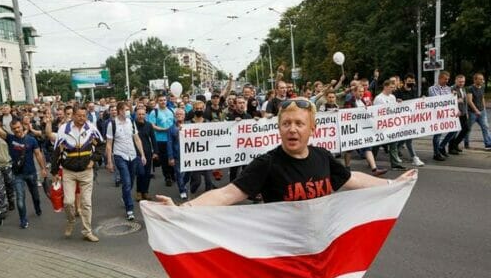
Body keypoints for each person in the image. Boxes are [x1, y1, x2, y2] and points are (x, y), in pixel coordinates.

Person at [156, 98, 415, 207]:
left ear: (312, 128)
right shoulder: (267, 164)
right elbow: (226, 194)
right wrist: (181, 209)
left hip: (320, 250)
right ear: (279, 128)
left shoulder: (323, 157)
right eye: (286, 124)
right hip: (285, 255)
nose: (292, 130)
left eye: (299, 124)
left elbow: (353, 179)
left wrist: (392, 183)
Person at [51, 105, 104, 241]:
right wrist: (55, 171)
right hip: (69, 171)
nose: (82, 118)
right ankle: (71, 220)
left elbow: (101, 145)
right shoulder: (64, 129)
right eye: (79, 116)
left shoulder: (91, 128)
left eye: (84, 116)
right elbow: (56, 151)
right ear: (73, 115)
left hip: (86, 171)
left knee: (86, 203)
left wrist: (94, 160)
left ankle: (87, 231)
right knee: (68, 202)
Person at [0, 119, 47, 229]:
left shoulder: (32, 140)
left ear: (22, 126)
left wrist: (43, 168)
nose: (17, 130)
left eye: (18, 127)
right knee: (20, 198)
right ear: (12, 129)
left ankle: (37, 208)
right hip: (17, 174)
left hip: (31, 173)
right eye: (14, 129)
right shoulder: (10, 138)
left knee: (36, 196)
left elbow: (38, 154)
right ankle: (23, 220)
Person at [106, 102, 146, 221]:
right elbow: (109, 144)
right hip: (120, 155)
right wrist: (109, 161)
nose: (128, 112)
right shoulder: (112, 124)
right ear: (119, 111)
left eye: (129, 109)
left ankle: (125, 195)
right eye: (125, 110)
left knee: (131, 181)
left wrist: (142, 154)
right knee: (127, 182)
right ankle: (129, 209)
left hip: (132, 155)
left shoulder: (131, 122)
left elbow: (137, 139)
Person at [373, 80, 406, 170]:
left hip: (391, 125)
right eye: (391, 87)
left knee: (393, 144)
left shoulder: (392, 97)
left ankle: (395, 164)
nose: (393, 89)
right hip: (381, 126)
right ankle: (371, 160)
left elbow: (394, 110)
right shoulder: (379, 98)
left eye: (393, 87)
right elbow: (377, 113)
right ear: (385, 87)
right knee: (377, 144)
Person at [147, 95, 175, 186]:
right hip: (160, 139)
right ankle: (167, 176)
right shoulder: (154, 112)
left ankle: (173, 174)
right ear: (157, 101)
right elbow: (152, 126)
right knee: (164, 159)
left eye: (164, 100)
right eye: (161, 100)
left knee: (172, 157)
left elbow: (176, 123)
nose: (163, 102)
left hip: (172, 138)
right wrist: (163, 129)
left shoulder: (172, 111)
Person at [428, 71, 456, 160]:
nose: (446, 81)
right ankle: (436, 154)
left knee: (455, 129)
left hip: (447, 114)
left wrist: (453, 98)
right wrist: (449, 98)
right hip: (437, 114)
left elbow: (450, 101)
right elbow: (437, 99)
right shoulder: (432, 88)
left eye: (448, 79)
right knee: (438, 134)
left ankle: (441, 146)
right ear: (439, 78)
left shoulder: (448, 89)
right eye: (445, 79)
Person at [134, 106, 158, 201]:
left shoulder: (149, 125)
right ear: (136, 115)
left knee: (147, 173)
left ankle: (145, 192)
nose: (141, 116)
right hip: (137, 152)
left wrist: (155, 151)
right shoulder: (132, 125)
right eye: (139, 114)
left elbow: (153, 139)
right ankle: (139, 192)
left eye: (143, 114)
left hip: (148, 152)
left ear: (145, 115)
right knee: (140, 173)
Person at [465, 72, 491, 150]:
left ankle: (488, 144)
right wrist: (476, 110)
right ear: (475, 80)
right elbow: (469, 101)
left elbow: (482, 97)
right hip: (472, 113)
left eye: (482, 79)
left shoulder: (482, 87)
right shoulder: (470, 88)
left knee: (485, 127)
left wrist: (484, 108)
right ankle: (466, 142)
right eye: (480, 79)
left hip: (482, 111)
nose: (482, 80)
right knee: (468, 128)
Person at [166, 108, 188, 199]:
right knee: (179, 173)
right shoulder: (171, 129)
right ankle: (182, 190)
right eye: (177, 114)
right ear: (175, 116)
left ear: (184, 116)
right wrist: (170, 157)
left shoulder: (191, 126)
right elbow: (169, 143)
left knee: (187, 174)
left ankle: (184, 184)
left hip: (189, 154)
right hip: (177, 154)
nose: (179, 116)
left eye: (181, 114)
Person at [449, 74, 469, 153]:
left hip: (463, 113)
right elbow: (448, 101)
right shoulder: (451, 88)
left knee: (466, 129)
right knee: (454, 131)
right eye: (460, 82)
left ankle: (455, 145)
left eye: (463, 82)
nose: (462, 83)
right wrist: (456, 103)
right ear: (455, 81)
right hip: (456, 113)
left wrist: (466, 112)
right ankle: (451, 148)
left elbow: (465, 102)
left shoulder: (463, 88)